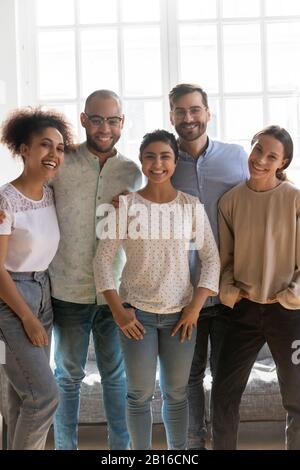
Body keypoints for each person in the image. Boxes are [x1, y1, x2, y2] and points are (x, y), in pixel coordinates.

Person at [93, 129, 220, 450]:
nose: (157, 163)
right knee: (139, 395)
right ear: (141, 161)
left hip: (182, 317)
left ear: (175, 162)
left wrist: (194, 308)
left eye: (165, 156)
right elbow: (102, 261)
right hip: (136, 317)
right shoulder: (124, 206)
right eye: (150, 156)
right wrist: (117, 311)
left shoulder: (191, 207)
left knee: (176, 395)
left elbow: (212, 261)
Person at [50, 90, 143, 450]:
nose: (106, 128)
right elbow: (29, 196)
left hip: (115, 294)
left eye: (113, 120)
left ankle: (119, 452)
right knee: (68, 376)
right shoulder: (61, 163)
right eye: (98, 119)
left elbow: (145, 225)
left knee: (115, 377)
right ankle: (65, 447)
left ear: (122, 123)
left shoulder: (133, 172)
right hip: (67, 288)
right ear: (84, 119)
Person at [169, 83, 249, 449]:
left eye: (195, 110)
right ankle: (193, 445)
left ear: (208, 113)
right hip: (185, 293)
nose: (189, 118)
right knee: (188, 376)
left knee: (224, 376)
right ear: (171, 116)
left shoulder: (235, 156)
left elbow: (263, 194)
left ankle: (222, 442)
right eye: (181, 111)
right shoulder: (164, 163)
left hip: (231, 287)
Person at [211, 125, 300, 450]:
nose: (261, 159)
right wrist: (232, 292)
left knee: (297, 398)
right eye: (257, 149)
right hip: (243, 311)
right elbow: (226, 259)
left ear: (283, 162)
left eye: (271, 155)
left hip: (288, 314)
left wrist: (290, 295)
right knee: (223, 395)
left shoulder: (294, 200)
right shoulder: (230, 201)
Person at [0, 107, 73, 449]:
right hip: (13, 298)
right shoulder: (5, 200)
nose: (54, 154)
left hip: (44, 290)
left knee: (22, 397)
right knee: (43, 397)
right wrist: (27, 317)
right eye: (45, 145)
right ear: (24, 149)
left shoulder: (50, 194)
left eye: (59, 148)